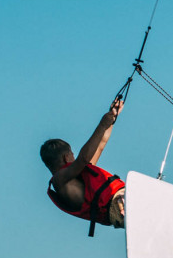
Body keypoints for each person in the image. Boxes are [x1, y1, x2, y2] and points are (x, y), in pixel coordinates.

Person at [41, 98, 126, 236]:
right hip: (118, 204)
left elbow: (100, 144)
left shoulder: (80, 174)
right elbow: (83, 159)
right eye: (72, 154)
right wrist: (101, 124)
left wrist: (112, 117)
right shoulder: (59, 180)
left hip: (122, 197)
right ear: (66, 157)